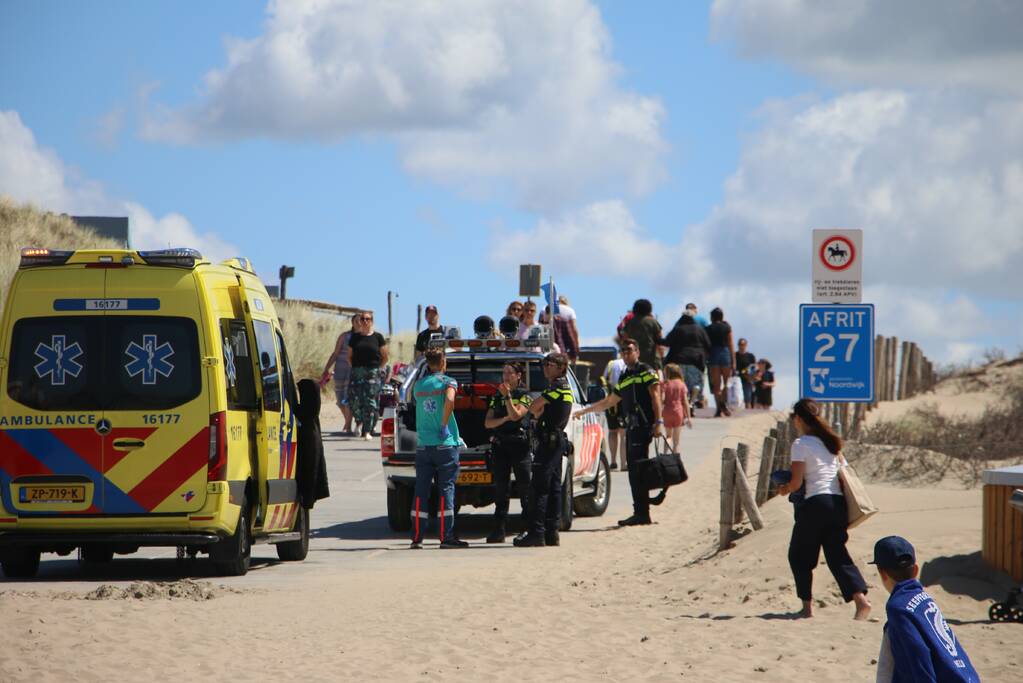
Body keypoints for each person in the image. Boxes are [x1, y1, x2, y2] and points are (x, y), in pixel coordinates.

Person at [777, 398, 871, 620]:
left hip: (815, 504)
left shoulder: (801, 444)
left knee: (799, 556)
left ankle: (807, 608)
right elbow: (843, 473)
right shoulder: (831, 444)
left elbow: (798, 483)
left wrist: (785, 489)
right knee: (837, 555)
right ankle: (861, 601)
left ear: (798, 419)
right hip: (837, 504)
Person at [575, 339, 663, 526]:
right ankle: (640, 511)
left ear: (637, 352)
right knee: (634, 470)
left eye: (629, 350)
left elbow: (656, 396)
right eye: (623, 351)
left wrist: (659, 422)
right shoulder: (625, 375)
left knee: (638, 469)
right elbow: (610, 401)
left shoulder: (646, 371)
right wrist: (586, 410)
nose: (626, 354)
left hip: (643, 426)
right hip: (631, 426)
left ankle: (642, 513)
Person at [871, 536, 979, 683]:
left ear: (882, 573)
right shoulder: (924, 598)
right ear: (915, 569)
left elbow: (917, 654)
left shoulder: (898, 607)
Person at [410, 348, 468, 549]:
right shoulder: (448, 382)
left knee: (421, 490)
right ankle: (446, 536)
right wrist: (444, 425)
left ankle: (417, 537)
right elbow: (450, 400)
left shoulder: (418, 385)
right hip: (445, 444)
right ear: (443, 362)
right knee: (446, 489)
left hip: (423, 445)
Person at [514, 352, 573, 548]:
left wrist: (536, 412)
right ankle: (551, 533)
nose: (545, 367)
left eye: (550, 364)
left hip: (549, 443)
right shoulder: (561, 386)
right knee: (554, 488)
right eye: (545, 364)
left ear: (561, 367)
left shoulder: (557, 387)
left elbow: (534, 407)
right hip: (555, 443)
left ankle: (536, 534)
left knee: (539, 488)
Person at [483, 362, 532, 543]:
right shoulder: (497, 396)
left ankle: (527, 528)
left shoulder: (526, 395)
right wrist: (503, 418)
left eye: (510, 373)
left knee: (525, 488)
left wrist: (509, 398)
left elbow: (516, 415)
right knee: (501, 489)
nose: (505, 376)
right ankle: (499, 529)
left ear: (519, 375)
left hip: (520, 445)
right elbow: (488, 423)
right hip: (501, 446)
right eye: (503, 372)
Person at [347, 311, 389, 440]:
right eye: (362, 319)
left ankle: (367, 430)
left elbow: (385, 357)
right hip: (357, 372)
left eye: (368, 319)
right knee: (354, 400)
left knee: (370, 402)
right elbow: (349, 356)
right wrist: (354, 368)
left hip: (372, 372)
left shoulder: (378, 337)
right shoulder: (355, 338)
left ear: (372, 321)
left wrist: (378, 369)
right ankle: (359, 421)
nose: (365, 321)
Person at [663, 308, 711, 412]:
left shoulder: (678, 329)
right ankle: (691, 403)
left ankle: (683, 406)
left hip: (679, 361)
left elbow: (667, 342)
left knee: (682, 385)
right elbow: (708, 345)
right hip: (696, 362)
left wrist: (656, 338)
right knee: (695, 385)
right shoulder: (699, 330)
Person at [319, 313, 356, 435]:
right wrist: (326, 368)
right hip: (340, 370)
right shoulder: (344, 336)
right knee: (340, 400)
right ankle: (347, 421)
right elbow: (335, 353)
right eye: (357, 320)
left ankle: (348, 426)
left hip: (353, 371)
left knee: (349, 399)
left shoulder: (363, 338)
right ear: (353, 322)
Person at [705, 307, 736, 417]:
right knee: (726, 383)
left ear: (712, 317)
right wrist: (734, 361)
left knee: (716, 385)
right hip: (725, 353)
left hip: (713, 354)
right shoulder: (727, 327)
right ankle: (724, 404)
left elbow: (706, 345)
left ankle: (719, 407)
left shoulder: (708, 328)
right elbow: (731, 343)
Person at [602, 350, 628, 470]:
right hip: (624, 400)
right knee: (623, 434)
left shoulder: (611, 364)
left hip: (611, 401)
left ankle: (613, 461)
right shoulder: (628, 365)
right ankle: (623, 464)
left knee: (612, 431)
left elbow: (604, 380)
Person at [623, 298, 664, 370]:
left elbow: (625, 341)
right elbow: (660, 342)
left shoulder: (630, 323)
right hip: (651, 359)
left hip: (634, 359)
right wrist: (662, 356)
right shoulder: (652, 322)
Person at [660, 363, 691, 454]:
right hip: (678, 412)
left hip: (667, 412)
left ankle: (665, 455)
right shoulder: (681, 384)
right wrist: (689, 417)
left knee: (668, 436)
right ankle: (675, 460)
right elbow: (685, 402)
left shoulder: (665, 383)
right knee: (676, 441)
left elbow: (662, 399)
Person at [556, 295, 581, 362]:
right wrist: (576, 345)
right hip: (566, 338)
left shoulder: (549, 309)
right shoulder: (570, 310)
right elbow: (574, 328)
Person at [735, 338, 757, 410]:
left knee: (747, 399)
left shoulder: (750, 356)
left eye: (743, 344)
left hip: (747, 380)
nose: (742, 346)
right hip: (736, 380)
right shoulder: (735, 355)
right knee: (736, 399)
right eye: (740, 344)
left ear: (746, 345)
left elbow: (754, 367)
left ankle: (748, 414)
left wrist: (752, 378)